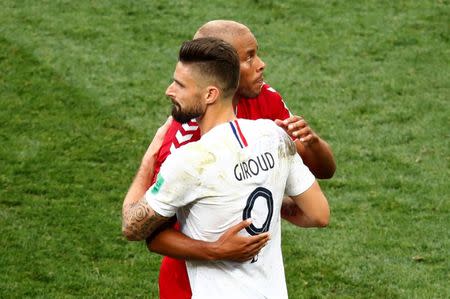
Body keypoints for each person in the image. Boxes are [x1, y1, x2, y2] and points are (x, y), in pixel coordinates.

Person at [122, 37, 330, 299]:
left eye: (180, 84)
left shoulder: (189, 160)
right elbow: (319, 215)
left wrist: (149, 158)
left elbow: (132, 226)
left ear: (210, 94)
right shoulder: (273, 136)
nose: (169, 91)